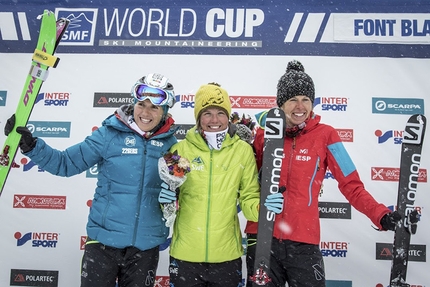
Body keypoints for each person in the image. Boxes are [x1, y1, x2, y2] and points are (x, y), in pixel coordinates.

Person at [4, 73, 179, 287]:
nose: (146, 112)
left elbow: (179, 189)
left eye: (154, 107)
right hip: (103, 243)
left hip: (145, 247)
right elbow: (65, 163)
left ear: (164, 112)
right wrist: (32, 146)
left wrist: (174, 196)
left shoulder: (172, 146)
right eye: (141, 104)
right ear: (133, 104)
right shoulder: (109, 135)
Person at [244, 60, 401, 287]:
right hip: (262, 236)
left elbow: (351, 184)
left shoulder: (327, 136)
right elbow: (243, 180)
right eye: (292, 100)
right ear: (281, 104)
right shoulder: (262, 135)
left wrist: (380, 214)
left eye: (306, 99)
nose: (300, 106)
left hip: (303, 240)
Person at [157, 82, 283, 287]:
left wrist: (263, 208)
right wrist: (165, 200)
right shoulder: (180, 149)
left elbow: (249, 196)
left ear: (228, 116)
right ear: (198, 118)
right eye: (207, 113)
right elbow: (169, 203)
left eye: (221, 113)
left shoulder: (241, 151)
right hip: (185, 255)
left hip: (226, 257)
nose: (214, 120)